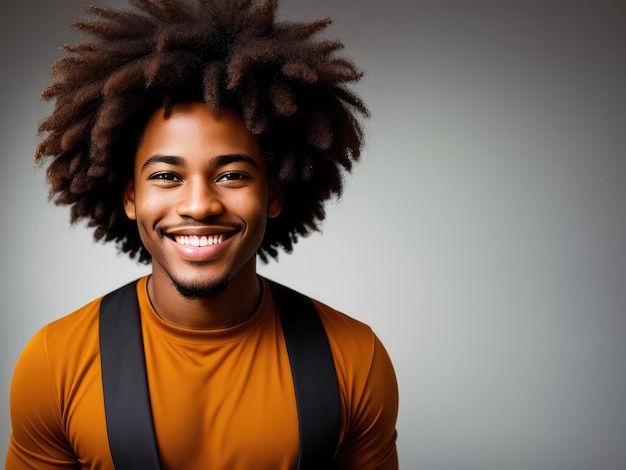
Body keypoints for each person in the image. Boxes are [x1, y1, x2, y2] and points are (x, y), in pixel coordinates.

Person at [6, 0, 399, 468]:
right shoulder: (55, 363)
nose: (198, 205)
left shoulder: (355, 360)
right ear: (130, 197)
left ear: (272, 196)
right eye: (167, 176)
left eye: (232, 175)